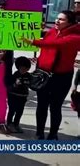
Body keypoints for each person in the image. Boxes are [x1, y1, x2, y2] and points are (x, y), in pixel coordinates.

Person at [22, 10, 80, 140]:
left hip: (61, 77)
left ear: (70, 23)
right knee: (41, 105)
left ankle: (53, 134)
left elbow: (56, 44)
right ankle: (39, 132)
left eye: (61, 19)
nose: (57, 21)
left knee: (55, 106)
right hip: (43, 74)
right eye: (57, 18)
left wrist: (34, 42)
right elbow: (46, 39)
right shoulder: (52, 31)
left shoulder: (75, 37)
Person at [6, 56, 31, 133]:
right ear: (18, 67)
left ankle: (16, 124)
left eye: (25, 69)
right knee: (12, 111)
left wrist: (29, 83)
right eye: (22, 68)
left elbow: (31, 84)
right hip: (13, 96)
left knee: (20, 112)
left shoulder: (28, 76)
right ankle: (9, 124)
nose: (24, 70)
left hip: (22, 97)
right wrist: (15, 84)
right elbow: (9, 86)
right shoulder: (15, 75)